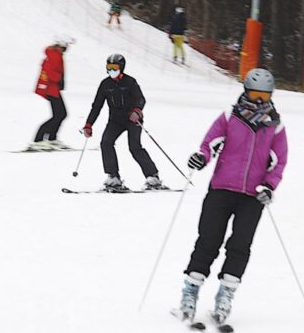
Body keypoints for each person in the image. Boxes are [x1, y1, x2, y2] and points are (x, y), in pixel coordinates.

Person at [175, 68, 288, 327]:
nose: (259, 100)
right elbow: (209, 144)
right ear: (245, 91)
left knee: (240, 246)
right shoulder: (230, 116)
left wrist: (269, 186)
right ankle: (189, 293)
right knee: (208, 240)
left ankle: (225, 295)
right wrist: (201, 158)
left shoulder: (276, 126)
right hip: (222, 189)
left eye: (264, 95)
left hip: (253, 196)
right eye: (254, 94)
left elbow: (279, 161)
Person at [81, 54, 163, 191]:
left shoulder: (130, 82)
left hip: (132, 119)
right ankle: (113, 177)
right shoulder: (105, 84)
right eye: (109, 67)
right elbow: (97, 106)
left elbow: (140, 99)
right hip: (115, 121)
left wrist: (137, 111)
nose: (111, 70)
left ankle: (152, 177)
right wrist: (89, 124)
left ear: (122, 68)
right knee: (106, 143)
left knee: (134, 147)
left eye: (114, 67)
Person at [30, 34, 75, 151]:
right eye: (66, 45)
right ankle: (39, 140)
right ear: (62, 44)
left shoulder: (56, 54)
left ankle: (51, 139)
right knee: (60, 114)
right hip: (52, 89)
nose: (67, 48)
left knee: (60, 114)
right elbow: (50, 71)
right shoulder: (55, 55)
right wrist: (58, 79)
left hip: (53, 89)